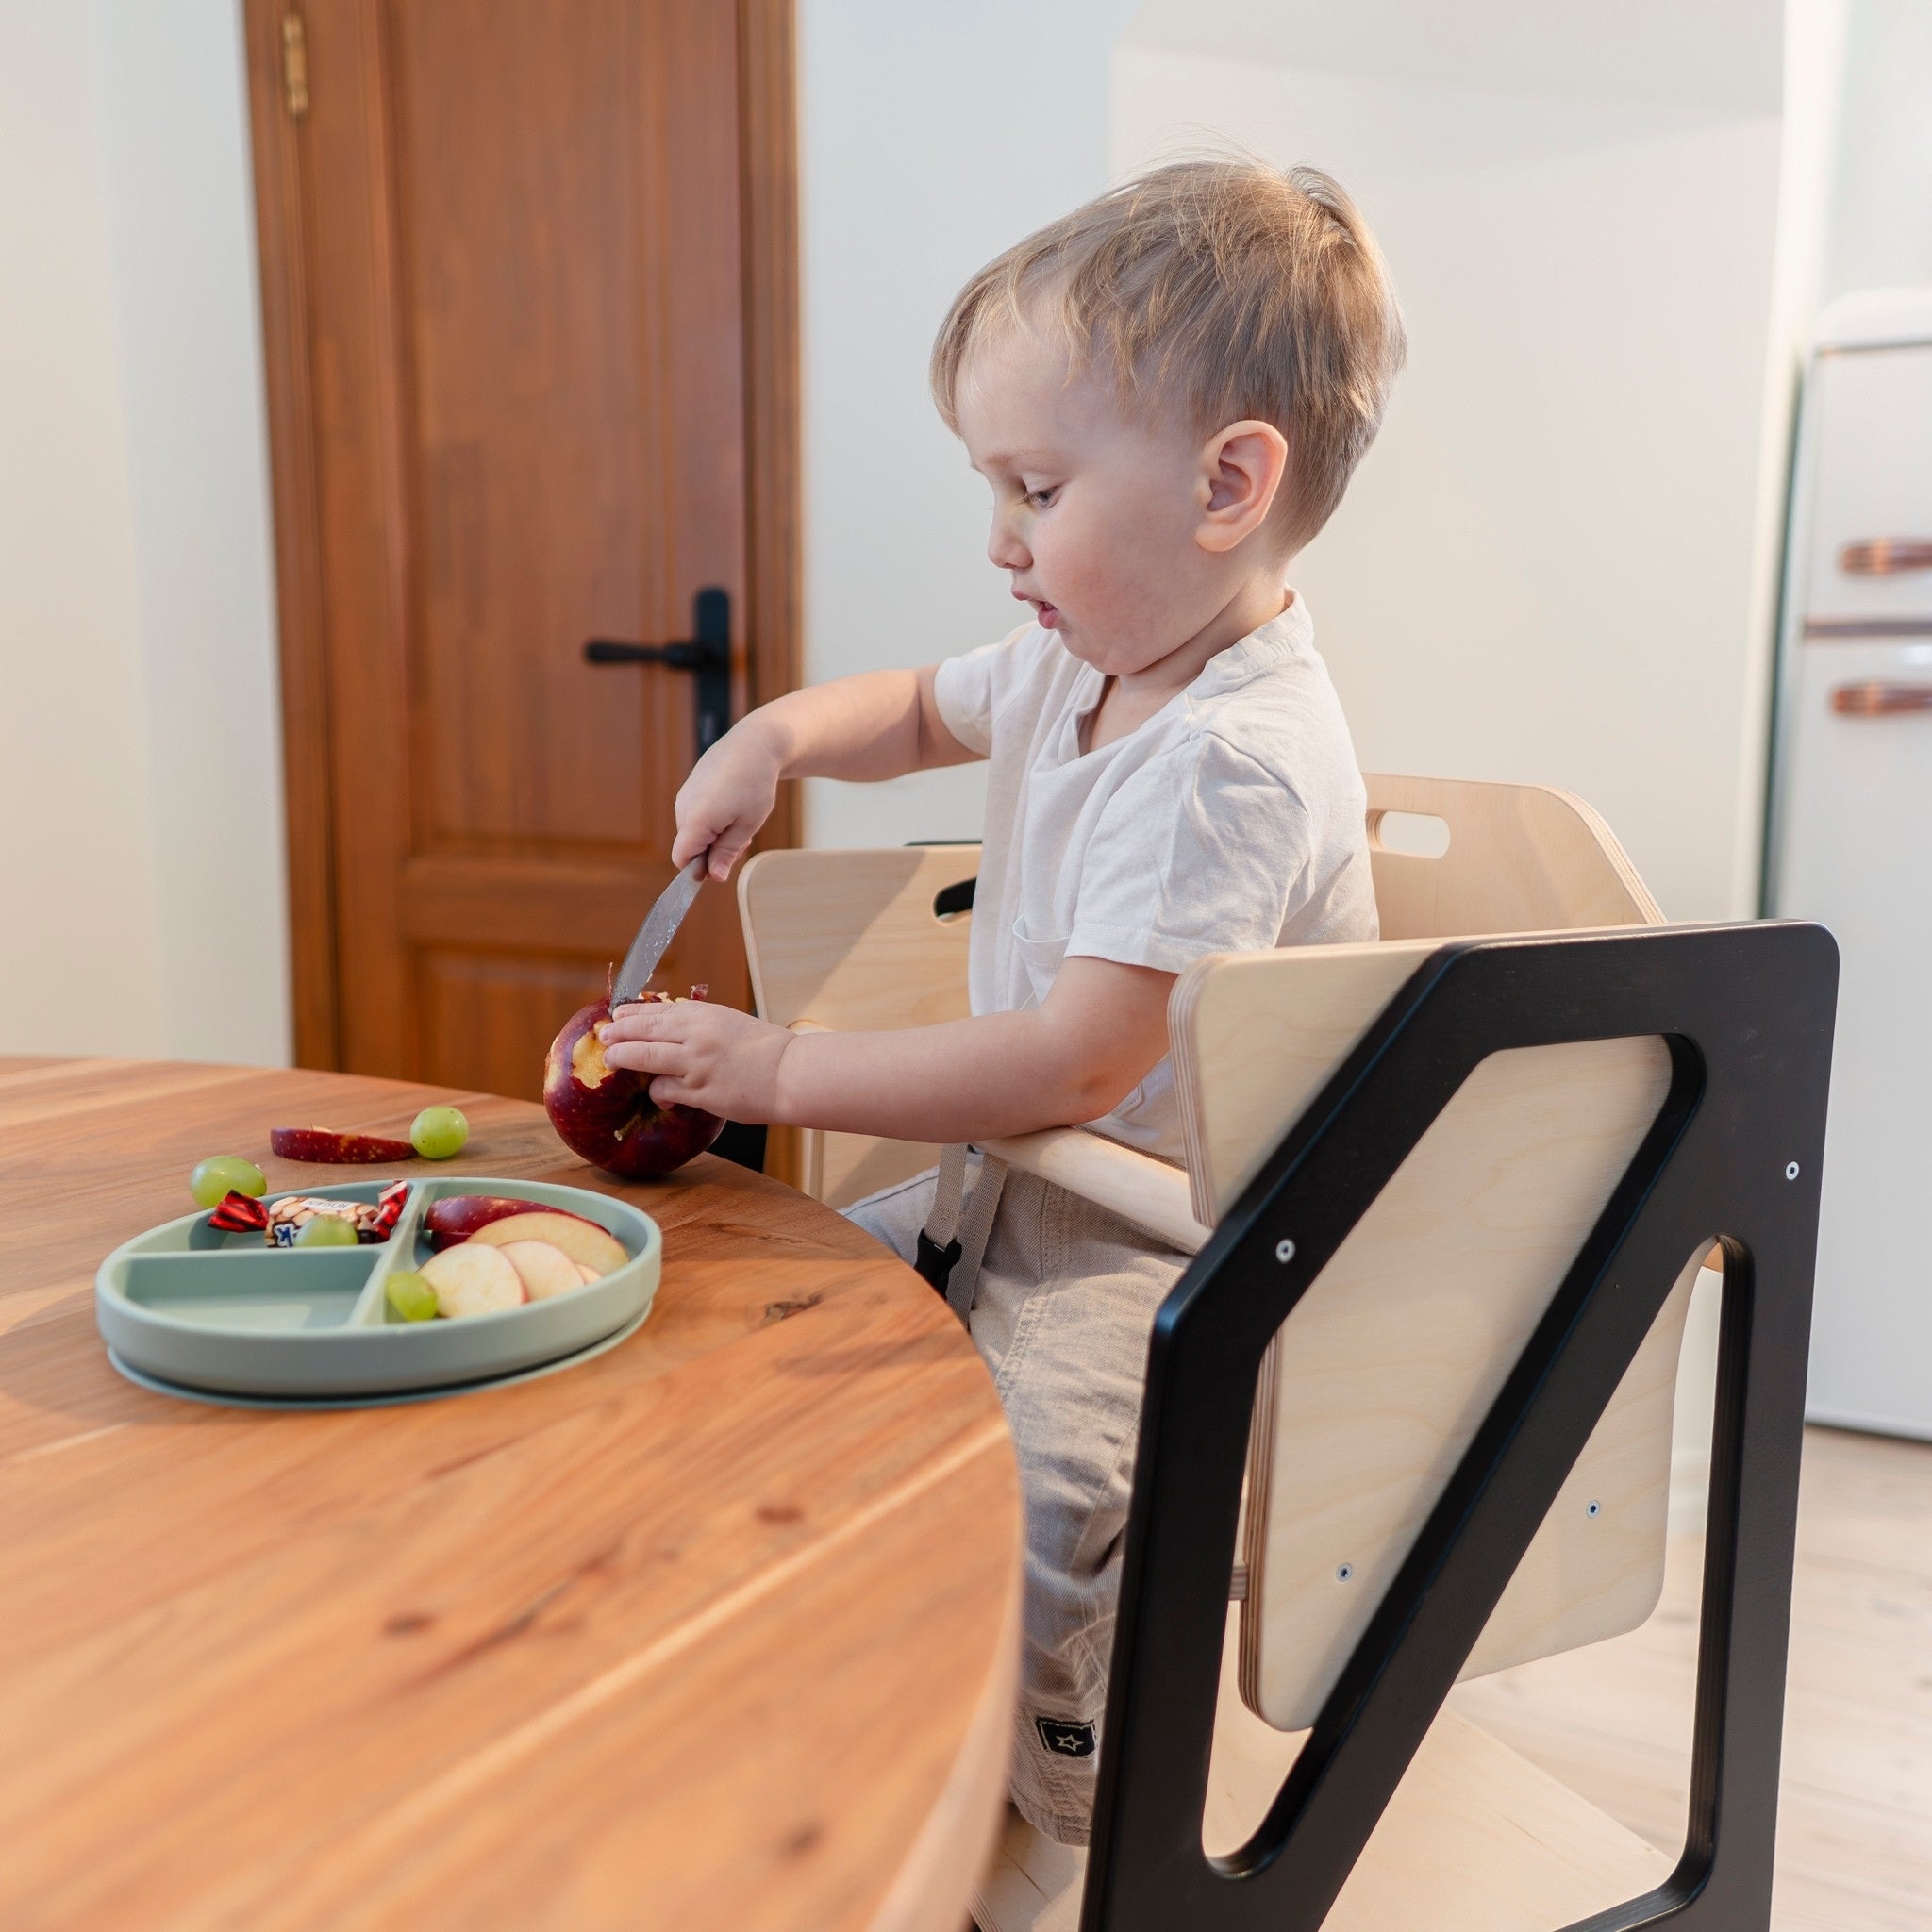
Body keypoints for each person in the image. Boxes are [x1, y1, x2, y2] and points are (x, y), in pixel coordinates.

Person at [599, 156, 1406, 1842]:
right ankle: (839, 1684)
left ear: (1227, 486)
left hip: (1156, 1235)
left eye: (1034, 486)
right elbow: (908, 706)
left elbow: (1079, 1056)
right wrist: (773, 741)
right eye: (995, 485)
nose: (999, 540)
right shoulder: (1081, 658)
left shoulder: (1228, 763)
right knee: (763, 1342)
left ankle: (1038, 1807)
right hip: (1014, 1187)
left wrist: (779, 1065)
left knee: (1044, 1502)